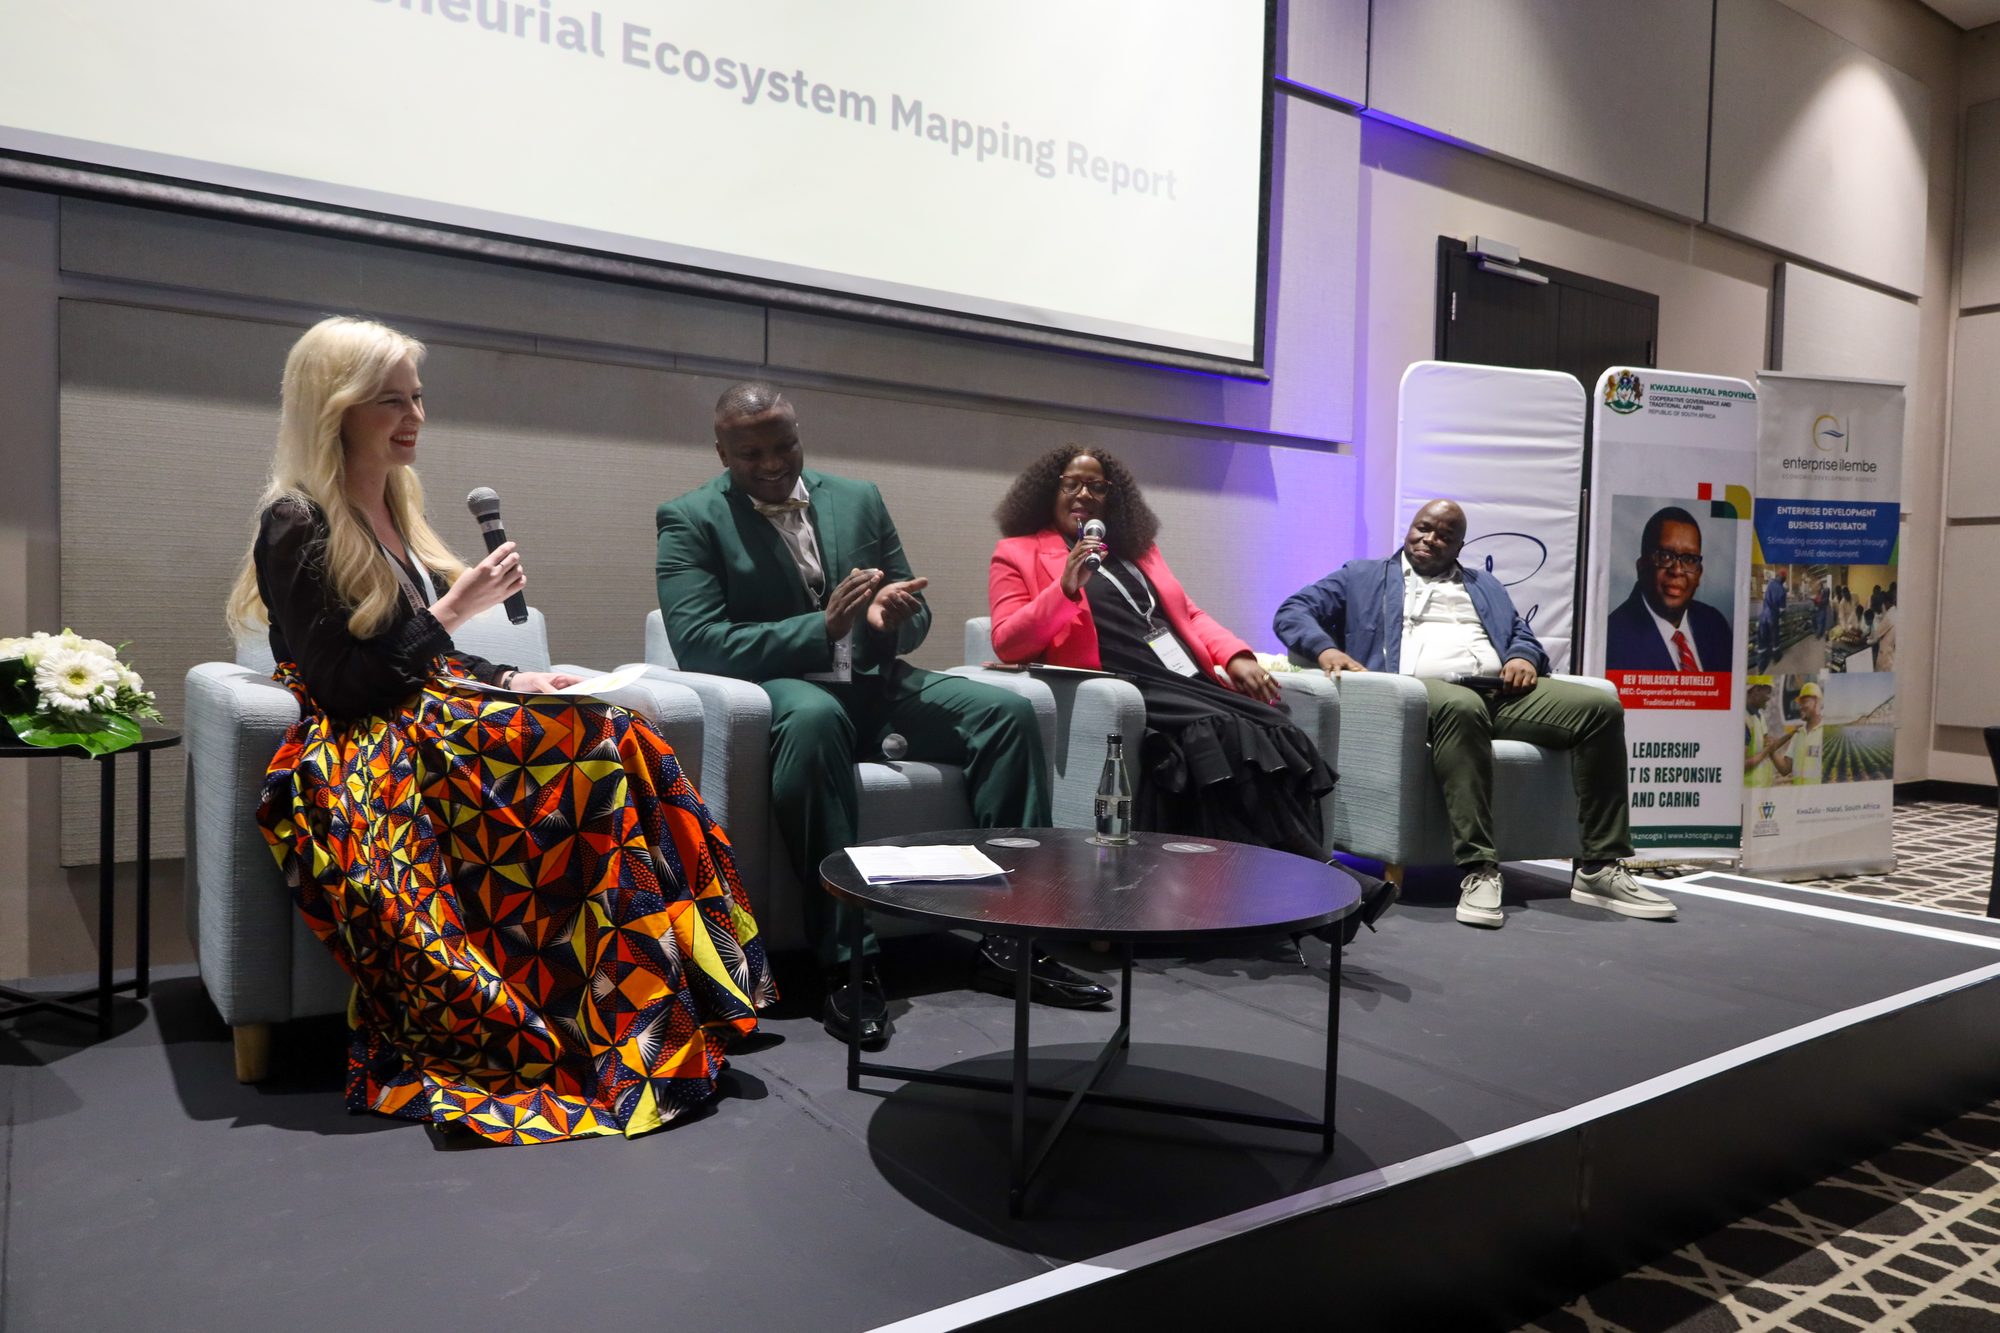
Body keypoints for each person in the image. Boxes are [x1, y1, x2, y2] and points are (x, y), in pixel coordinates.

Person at [225, 316, 773, 1145]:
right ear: (335, 406)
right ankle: (617, 1025)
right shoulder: (295, 520)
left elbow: (423, 656)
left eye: (417, 397)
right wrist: (453, 608)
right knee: (591, 757)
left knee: (623, 728)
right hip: (365, 746)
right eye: (390, 401)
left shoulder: (395, 501)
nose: (413, 417)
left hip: (427, 712)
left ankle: (694, 998)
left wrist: (515, 678)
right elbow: (342, 684)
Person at [655, 383, 1110, 1048]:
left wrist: (887, 618)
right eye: (751, 453)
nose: (773, 463)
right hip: (789, 688)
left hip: (878, 680)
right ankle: (848, 961)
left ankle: (1013, 941)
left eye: (784, 446)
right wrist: (821, 627)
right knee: (815, 722)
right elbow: (698, 641)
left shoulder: (858, 498)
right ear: (722, 451)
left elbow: (915, 611)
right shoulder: (689, 519)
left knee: (1008, 714)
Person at [986, 446, 1392, 937]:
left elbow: (1188, 615)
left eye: (1096, 486)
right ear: (1049, 491)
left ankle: (1298, 893)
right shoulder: (1019, 553)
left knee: (1271, 726)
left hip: (1182, 677)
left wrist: (1235, 656)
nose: (1084, 495)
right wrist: (1065, 588)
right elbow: (1008, 640)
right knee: (1221, 731)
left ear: (1112, 497)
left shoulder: (1138, 551)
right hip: (1122, 682)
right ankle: (1325, 883)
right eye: (1071, 483)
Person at [1273, 499, 1676, 929]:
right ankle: (1479, 868)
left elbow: (1521, 634)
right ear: (1410, 528)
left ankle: (1599, 867)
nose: (1430, 539)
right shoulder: (1363, 576)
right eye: (1423, 528)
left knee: (1599, 708)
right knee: (1461, 705)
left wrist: (1522, 656)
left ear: (1460, 546)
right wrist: (1326, 650)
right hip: (1417, 694)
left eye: (1444, 536)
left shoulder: (1485, 585)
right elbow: (1292, 612)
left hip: (1499, 691)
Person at [1602, 506, 1732, 672]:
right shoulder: (1612, 639)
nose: (1677, 571)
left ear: (1699, 574)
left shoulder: (1715, 624)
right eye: (1665, 556)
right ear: (1641, 567)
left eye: (1689, 559)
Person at [1744, 675, 1793, 786]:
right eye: (1768, 693)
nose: (1769, 698)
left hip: (1762, 788)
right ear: (1756, 690)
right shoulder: (1744, 720)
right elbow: (1742, 765)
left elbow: (1769, 747)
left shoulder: (1759, 717)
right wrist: (1767, 751)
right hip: (1749, 789)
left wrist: (1790, 735)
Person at [1790, 680, 1826, 785]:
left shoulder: (1827, 733)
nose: (1800, 707)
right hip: (1798, 794)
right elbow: (1785, 768)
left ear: (1817, 703)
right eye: (1800, 703)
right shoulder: (1797, 734)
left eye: (1804, 702)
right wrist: (1771, 750)